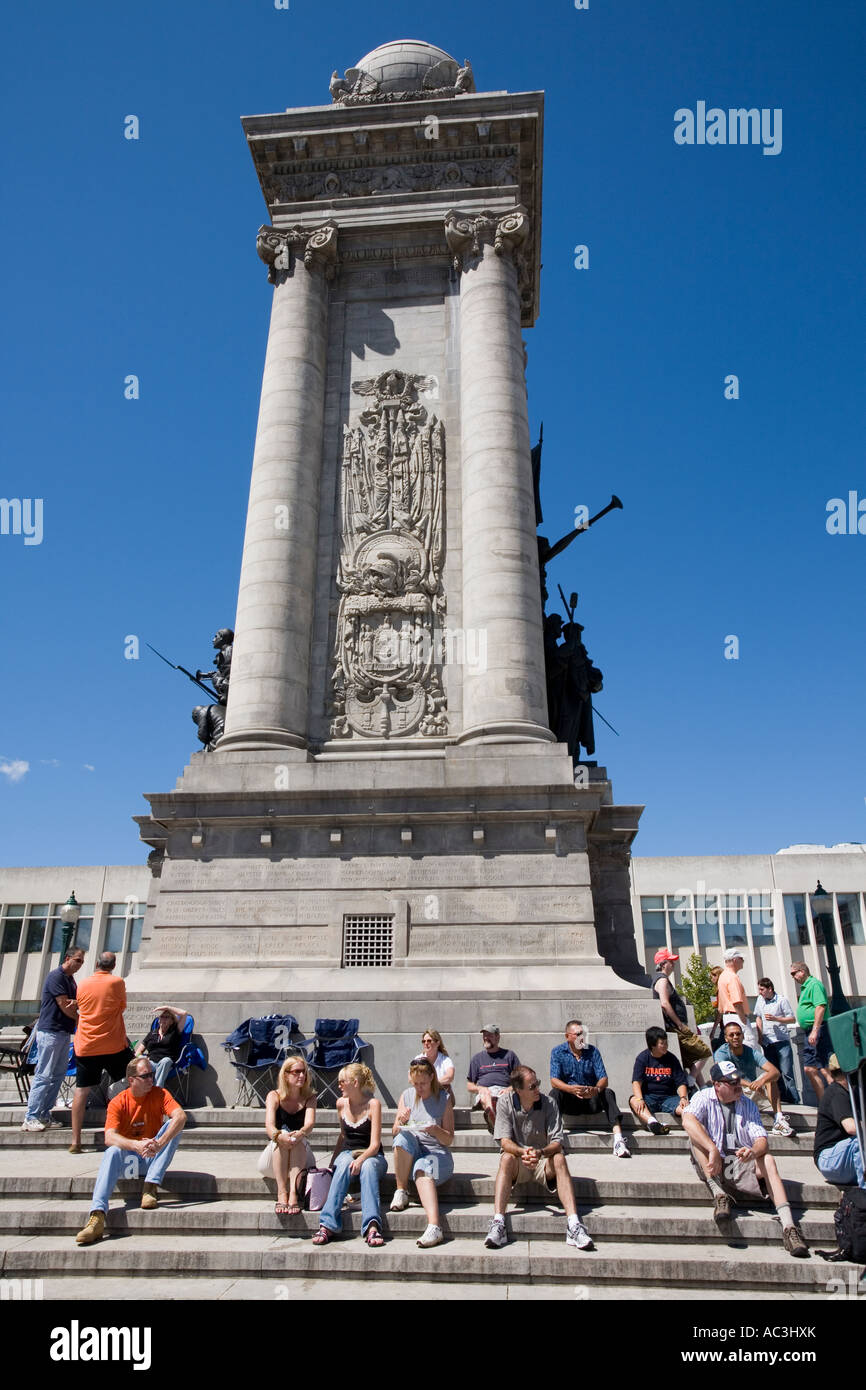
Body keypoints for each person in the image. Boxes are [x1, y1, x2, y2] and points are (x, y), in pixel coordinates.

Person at [682, 1060, 809, 1258]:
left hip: (738, 1163)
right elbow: (687, 1119)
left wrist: (752, 1151)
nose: (737, 1086)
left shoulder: (747, 1104)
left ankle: (789, 1227)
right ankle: (719, 1194)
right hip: (712, 1162)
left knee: (767, 1159)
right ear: (717, 1085)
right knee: (695, 1134)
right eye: (731, 1083)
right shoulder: (703, 1097)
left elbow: (762, 1141)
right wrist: (712, 1148)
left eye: (738, 1081)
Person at [74, 1056, 186, 1245]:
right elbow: (109, 1137)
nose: (151, 1079)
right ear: (132, 1079)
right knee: (112, 1152)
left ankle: (150, 1186)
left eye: (152, 1074)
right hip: (129, 1164)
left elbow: (181, 1116)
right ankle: (98, 1216)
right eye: (146, 1076)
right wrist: (136, 1145)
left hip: (151, 1158)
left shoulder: (160, 1094)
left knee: (174, 1126)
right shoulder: (118, 1102)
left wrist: (159, 1144)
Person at [485, 1065, 594, 1251]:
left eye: (537, 1084)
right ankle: (499, 1223)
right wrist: (522, 1152)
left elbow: (557, 1142)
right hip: (519, 1162)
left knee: (560, 1158)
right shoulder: (505, 1102)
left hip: (543, 1161)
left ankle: (573, 1224)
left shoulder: (549, 1103)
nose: (537, 1089)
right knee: (506, 1158)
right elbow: (504, 1141)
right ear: (518, 1090)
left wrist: (540, 1153)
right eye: (532, 1087)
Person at [312, 1063, 387, 1246]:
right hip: (348, 1152)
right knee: (343, 1162)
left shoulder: (373, 1104)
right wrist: (332, 1164)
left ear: (354, 1083)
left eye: (342, 1082)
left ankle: (372, 1225)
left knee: (368, 1167)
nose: (338, 1086)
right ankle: (327, 1223)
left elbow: (375, 1144)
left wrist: (361, 1159)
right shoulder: (340, 1104)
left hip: (371, 1155)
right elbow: (343, 1136)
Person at [70, 951, 132, 1155]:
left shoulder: (83, 984)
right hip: (112, 1043)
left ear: (97, 963)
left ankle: (76, 1141)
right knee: (132, 1080)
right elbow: (121, 1007)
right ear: (113, 965)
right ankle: (124, 1130)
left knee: (81, 1090)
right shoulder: (116, 983)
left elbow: (80, 1007)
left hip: (86, 1045)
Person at [390, 1058, 455, 1248]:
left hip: (437, 1153)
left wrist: (435, 1130)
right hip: (413, 1150)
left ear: (432, 1078)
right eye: (416, 1083)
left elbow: (449, 1139)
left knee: (423, 1166)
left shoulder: (443, 1098)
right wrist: (401, 1121)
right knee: (401, 1138)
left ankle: (434, 1226)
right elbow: (394, 1131)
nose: (419, 1088)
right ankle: (401, 1190)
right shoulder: (407, 1095)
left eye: (423, 1084)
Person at [21, 946, 85, 1132]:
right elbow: (65, 1005)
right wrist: (80, 1019)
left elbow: (74, 1002)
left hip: (63, 1032)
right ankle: (31, 1116)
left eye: (81, 961)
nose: (80, 964)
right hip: (50, 1032)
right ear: (67, 958)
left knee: (57, 1075)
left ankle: (44, 1114)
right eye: (78, 960)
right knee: (44, 1074)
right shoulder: (56, 977)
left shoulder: (70, 980)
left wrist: (76, 1005)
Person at [549, 1020, 630, 1157]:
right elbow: (554, 1081)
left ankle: (618, 1140)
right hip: (570, 1101)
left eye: (583, 1034)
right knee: (554, 1093)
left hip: (591, 1099)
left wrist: (596, 1090)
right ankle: (556, 1140)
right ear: (567, 1036)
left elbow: (604, 1078)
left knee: (608, 1092)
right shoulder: (558, 1052)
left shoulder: (593, 1051)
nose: (581, 1037)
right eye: (577, 1034)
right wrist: (571, 1089)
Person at [265, 1056, 317, 1215]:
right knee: (284, 1136)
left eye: (304, 1072)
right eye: (297, 1072)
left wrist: (300, 1134)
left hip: (301, 1153)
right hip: (274, 1153)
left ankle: (293, 1194)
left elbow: (309, 1125)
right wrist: (279, 1136)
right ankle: (282, 1193)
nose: (302, 1076)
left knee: (296, 1139)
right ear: (286, 1075)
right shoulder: (274, 1096)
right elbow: (269, 1125)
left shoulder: (310, 1097)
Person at [650, 947, 711, 1084]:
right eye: (671, 961)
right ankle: (690, 1080)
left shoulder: (662, 980)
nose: (673, 964)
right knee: (705, 1051)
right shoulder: (662, 980)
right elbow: (665, 1003)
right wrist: (679, 1024)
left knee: (690, 1060)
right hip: (676, 1027)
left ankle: (700, 1086)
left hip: (675, 1026)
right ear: (663, 964)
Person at [713, 1020, 787, 1131]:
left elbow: (775, 1071)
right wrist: (750, 1084)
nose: (735, 1037)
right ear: (726, 1038)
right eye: (731, 1035)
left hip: (752, 1093)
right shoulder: (721, 1053)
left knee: (770, 1078)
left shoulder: (752, 1052)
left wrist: (761, 1082)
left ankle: (779, 1119)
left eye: (738, 1034)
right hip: (734, 1092)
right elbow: (725, 1075)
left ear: (743, 1036)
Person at [813, 1053, 865, 1189]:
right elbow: (851, 1127)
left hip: (846, 1158)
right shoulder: (837, 1092)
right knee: (861, 1141)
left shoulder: (854, 1093)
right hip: (829, 1159)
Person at [629, 1026, 689, 1134]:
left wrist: (683, 1097)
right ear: (653, 1045)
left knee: (687, 1109)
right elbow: (636, 1082)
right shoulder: (642, 1058)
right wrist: (640, 1099)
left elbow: (680, 1082)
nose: (665, 1046)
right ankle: (653, 1123)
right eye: (662, 1043)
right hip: (649, 1098)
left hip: (669, 1098)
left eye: (666, 1043)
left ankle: (691, 1128)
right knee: (633, 1100)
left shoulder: (672, 1058)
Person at [754, 976, 801, 1107]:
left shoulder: (782, 1000)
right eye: (759, 989)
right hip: (767, 1041)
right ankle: (780, 1099)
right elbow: (758, 1017)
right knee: (773, 1072)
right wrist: (760, 1034)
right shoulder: (760, 1000)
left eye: (762, 989)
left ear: (770, 989)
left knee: (787, 1072)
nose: (760, 992)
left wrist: (776, 1018)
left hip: (781, 1041)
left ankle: (794, 1100)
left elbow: (792, 1019)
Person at [790, 961, 833, 1101]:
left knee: (823, 1067)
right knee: (815, 1068)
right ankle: (826, 1103)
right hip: (810, 1031)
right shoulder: (805, 987)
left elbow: (820, 1006)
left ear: (802, 971)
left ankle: (834, 1100)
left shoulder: (814, 984)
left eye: (793, 973)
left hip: (818, 1029)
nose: (793, 977)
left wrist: (815, 1030)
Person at [466, 1026, 519, 1132]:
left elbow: (520, 1079)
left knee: (502, 1098)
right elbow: (469, 1085)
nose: (486, 1038)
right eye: (484, 1035)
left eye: (489, 1035)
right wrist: (480, 1089)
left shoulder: (509, 1055)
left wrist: (510, 1088)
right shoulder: (477, 1058)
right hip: (485, 1092)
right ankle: (495, 1121)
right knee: (487, 1094)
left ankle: (493, 1119)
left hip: (503, 1091)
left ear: (497, 1037)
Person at [134, 1006, 189, 1088]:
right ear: (158, 1020)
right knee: (140, 1060)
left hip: (167, 1064)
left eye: (167, 1017)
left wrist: (166, 1007)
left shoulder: (175, 1032)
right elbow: (138, 1052)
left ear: (171, 1021)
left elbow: (184, 1013)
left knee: (165, 1061)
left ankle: (157, 1090)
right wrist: (142, 1058)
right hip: (151, 1063)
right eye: (162, 1017)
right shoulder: (152, 1034)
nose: (163, 1019)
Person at [716, 948, 755, 1042]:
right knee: (748, 1045)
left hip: (728, 1017)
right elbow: (737, 1002)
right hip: (737, 1016)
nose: (743, 961)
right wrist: (744, 1022)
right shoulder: (732, 977)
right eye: (741, 958)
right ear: (735, 960)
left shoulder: (723, 976)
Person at [413, 1028, 455, 1101]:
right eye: (424, 1041)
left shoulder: (445, 1059)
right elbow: (410, 1077)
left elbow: (449, 1077)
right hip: (424, 1095)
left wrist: (431, 1085)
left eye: (429, 1041)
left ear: (437, 1043)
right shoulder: (418, 1059)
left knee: (446, 1086)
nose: (426, 1043)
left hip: (441, 1095)